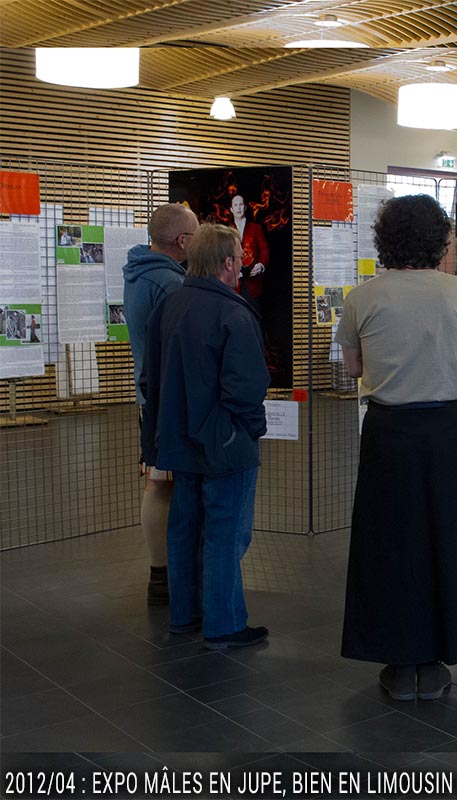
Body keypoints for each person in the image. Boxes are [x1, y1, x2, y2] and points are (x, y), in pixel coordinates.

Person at [335, 194, 457, 701]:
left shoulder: (361, 297)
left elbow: (355, 370)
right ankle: (436, 661)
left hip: (388, 432)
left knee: (390, 544)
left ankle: (399, 665)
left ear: (385, 240)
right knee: (444, 537)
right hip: (446, 431)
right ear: (440, 240)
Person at [140, 224, 270, 649]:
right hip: (224, 444)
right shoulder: (235, 312)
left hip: (177, 442)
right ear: (228, 264)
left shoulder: (169, 306)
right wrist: (248, 431)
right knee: (226, 533)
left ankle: (185, 615)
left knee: (185, 528)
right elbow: (247, 388)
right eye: (238, 257)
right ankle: (224, 623)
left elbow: (151, 379)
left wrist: (155, 442)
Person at [122, 202, 199, 605]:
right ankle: (171, 574)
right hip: (169, 402)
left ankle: (161, 573)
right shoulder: (171, 284)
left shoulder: (138, 272)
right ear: (183, 241)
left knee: (158, 483)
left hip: (149, 399)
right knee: (168, 484)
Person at [229, 194, 268, 309]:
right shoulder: (227, 230)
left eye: (241, 204)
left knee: (254, 316)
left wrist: (261, 265)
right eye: (235, 205)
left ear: (245, 207)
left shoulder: (256, 228)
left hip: (253, 283)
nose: (238, 208)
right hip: (234, 283)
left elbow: (264, 249)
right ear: (231, 209)